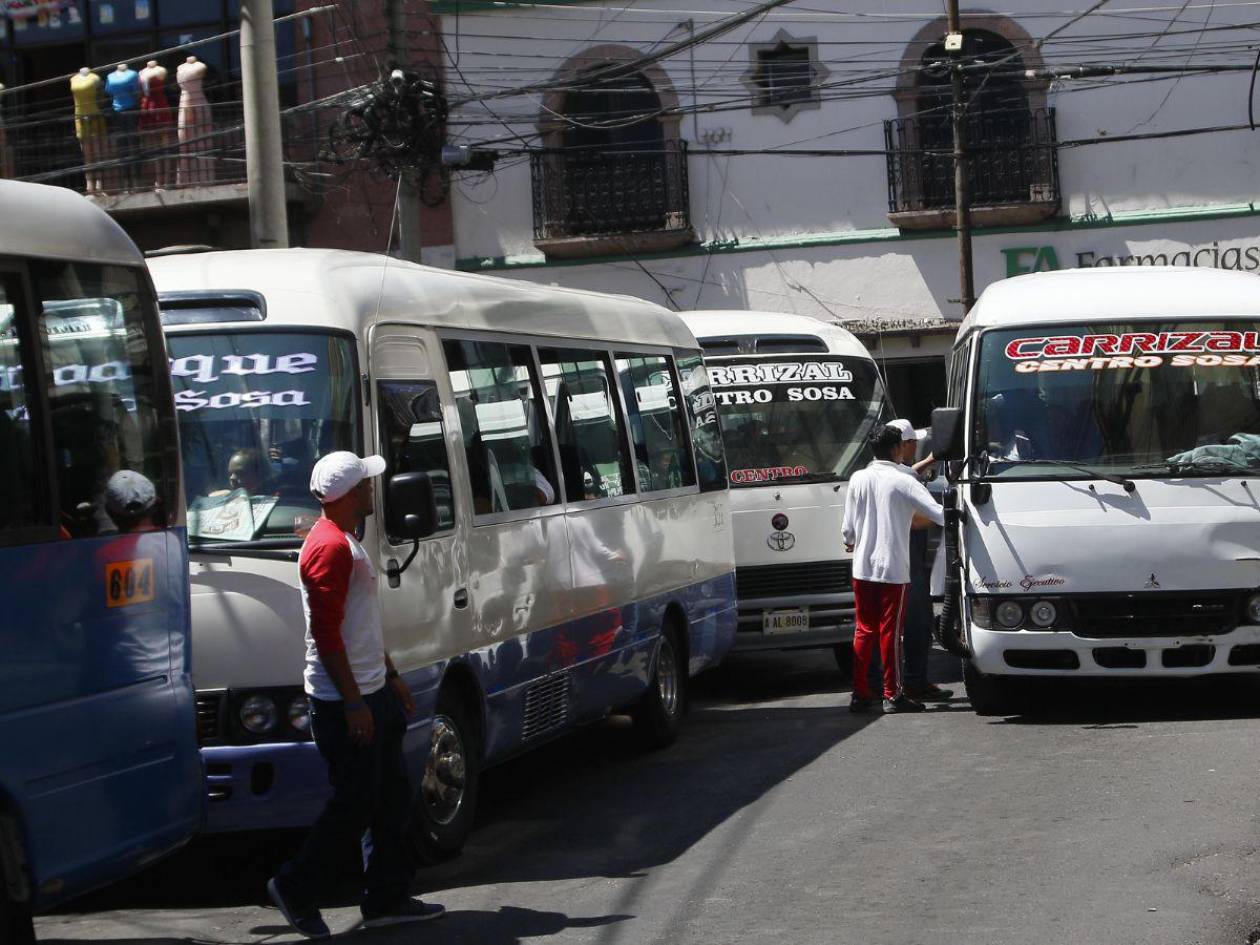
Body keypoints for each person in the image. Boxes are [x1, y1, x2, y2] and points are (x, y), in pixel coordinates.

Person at [268, 451, 444, 938]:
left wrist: (389, 677)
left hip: (371, 691)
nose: (372, 490)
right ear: (348, 496)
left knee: (392, 798)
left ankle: (386, 895)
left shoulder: (345, 540)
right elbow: (326, 636)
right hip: (345, 701)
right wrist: (352, 703)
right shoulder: (330, 547)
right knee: (355, 806)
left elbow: (360, 626)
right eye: (365, 485)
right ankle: (295, 887)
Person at [841, 420, 946, 714]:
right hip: (892, 570)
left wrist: (854, 540)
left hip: (862, 567)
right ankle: (892, 694)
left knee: (864, 631)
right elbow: (939, 515)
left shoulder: (858, 478)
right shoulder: (903, 480)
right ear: (898, 448)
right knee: (890, 632)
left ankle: (860, 693)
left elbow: (847, 531)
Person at [900, 447, 954, 704]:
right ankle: (909, 685)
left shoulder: (869, 475)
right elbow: (918, 520)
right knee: (916, 626)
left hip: (900, 566)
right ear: (903, 445)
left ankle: (911, 683)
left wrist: (932, 458)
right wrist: (953, 512)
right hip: (907, 568)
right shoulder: (901, 480)